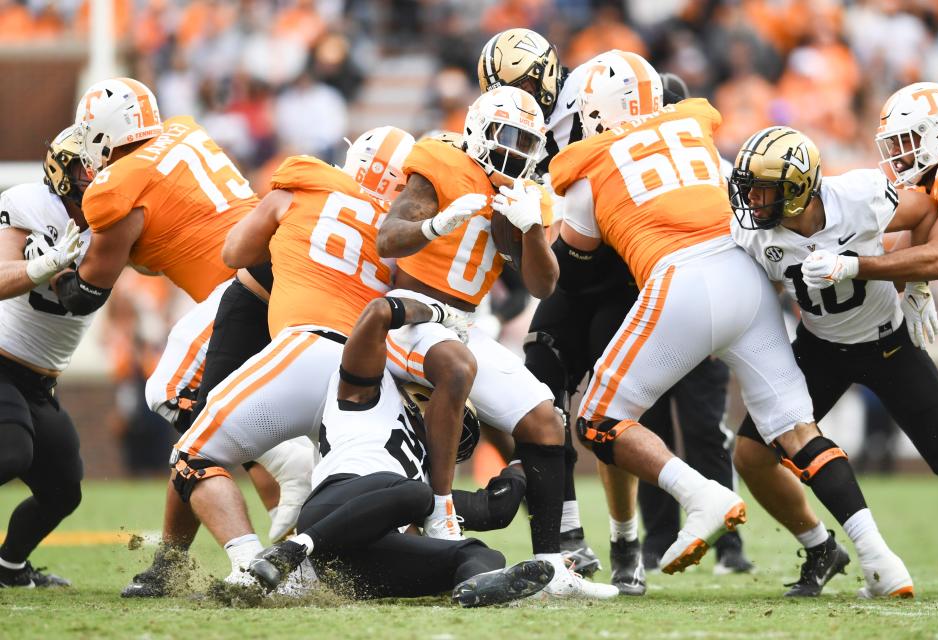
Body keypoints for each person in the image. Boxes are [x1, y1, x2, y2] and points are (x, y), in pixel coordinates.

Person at [551, 49, 912, 598]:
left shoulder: (590, 172)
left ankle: (701, 496)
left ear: (596, 112)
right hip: (746, 281)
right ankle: (879, 559)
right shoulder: (699, 140)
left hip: (679, 283)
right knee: (795, 430)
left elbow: (573, 272)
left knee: (598, 418)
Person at [477, 29, 749, 594]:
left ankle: (625, 540)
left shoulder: (593, 97)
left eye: (528, 82)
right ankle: (570, 539)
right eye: (506, 88)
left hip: (624, 270)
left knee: (611, 409)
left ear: (554, 79)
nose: (521, 96)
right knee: (539, 394)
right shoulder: (503, 126)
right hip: (565, 275)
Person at [60, 78, 314, 596]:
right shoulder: (182, 132)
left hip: (238, 288)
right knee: (204, 424)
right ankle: (175, 563)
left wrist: (52, 262)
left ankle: (258, 535)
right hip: (281, 273)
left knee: (172, 394)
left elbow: (87, 293)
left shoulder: (118, 185)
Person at [377, 85, 617, 598]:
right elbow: (388, 237)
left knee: (545, 419)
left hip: (463, 323)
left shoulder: (525, 194)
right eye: (505, 136)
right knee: (456, 366)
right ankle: (442, 511)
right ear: (475, 130)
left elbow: (543, 284)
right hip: (409, 319)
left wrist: (531, 230)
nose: (515, 150)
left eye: (527, 141)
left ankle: (552, 566)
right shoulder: (440, 161)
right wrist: (436, 224)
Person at [172, 126, 439, 585]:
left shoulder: (307, 187)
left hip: (305, 351)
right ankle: (436, 556)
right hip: (370, 380)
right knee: (383, 496)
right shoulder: (406, 240)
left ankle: (249, 564)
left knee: (192, 454)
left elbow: (235, 251)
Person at [730, 125, 938, 596]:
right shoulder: (752, 237)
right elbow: (756, 298)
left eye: (765, 189)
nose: (753, 201)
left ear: (798, 189)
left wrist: (916, 282)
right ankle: (819, 548)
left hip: (890, 343)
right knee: (750, 455)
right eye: (750, 189)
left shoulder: (859, 196)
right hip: (819, 351)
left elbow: (928, 208)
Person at [249, 296, 552, 607]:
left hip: (357, 564)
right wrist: (440, 313)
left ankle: (472, 588)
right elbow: (379, 311)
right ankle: (291, 552)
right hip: (331, 509)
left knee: (482, 554)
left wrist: (528, 455)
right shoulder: (367, 393)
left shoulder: (425, 469)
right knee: (417, 496)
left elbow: (495, 510)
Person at [0, 127, 90, 587]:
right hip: (1, 362)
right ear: (61, 168)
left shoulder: (113, 219)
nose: (95, 175)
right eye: (86, 165)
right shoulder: (27, 203)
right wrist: (45, 264)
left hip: (41, 381)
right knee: (11, 451)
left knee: (62, 489)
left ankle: (9, 568)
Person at [802, 82, 938, 310]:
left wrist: (849, 266)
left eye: (904, 140)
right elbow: (899, 271)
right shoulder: (928, 183)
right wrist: (826, 266)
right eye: (893, 143)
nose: (895, 152)